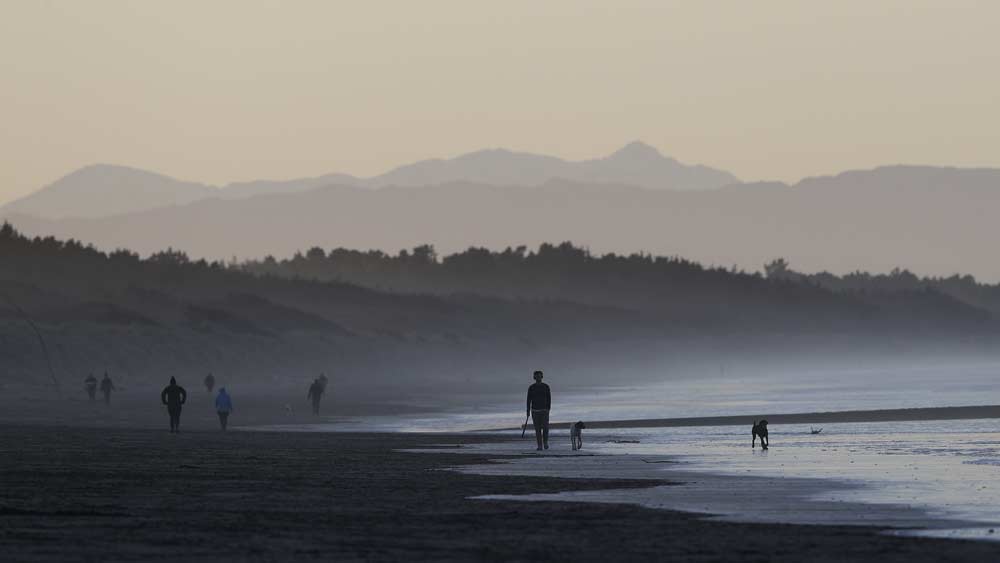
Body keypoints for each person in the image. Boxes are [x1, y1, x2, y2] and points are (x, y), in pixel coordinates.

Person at [526, 370, 551, 451]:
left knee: (546, 428)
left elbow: (549, 398)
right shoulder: (531, 387)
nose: (538, 377)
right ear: (534, 377)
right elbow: (528, 399)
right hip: (535, 411)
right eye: (536, 376)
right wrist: (528, 410)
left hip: (544, 410)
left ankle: (545, 442)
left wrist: (548, 408)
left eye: (539, 376)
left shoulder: (546, 386)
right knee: (537, 429)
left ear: (542, 377)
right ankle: (539, 445)